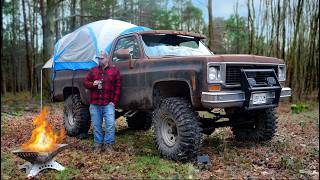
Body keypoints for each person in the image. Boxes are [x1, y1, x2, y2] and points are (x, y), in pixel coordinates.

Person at [83, 51, 121, 153]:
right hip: (95, 103)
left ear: (107, 58)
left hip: (108, 103)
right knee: (96, 125)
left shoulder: (114, 71)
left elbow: (118, 87)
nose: (99, 60)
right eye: (98, 58)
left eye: (102, 58)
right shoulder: (93, 70)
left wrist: (114, 102)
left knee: (110, 124)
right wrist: (92, 84)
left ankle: (108, 145)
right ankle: (98, 145)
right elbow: (85, 82)